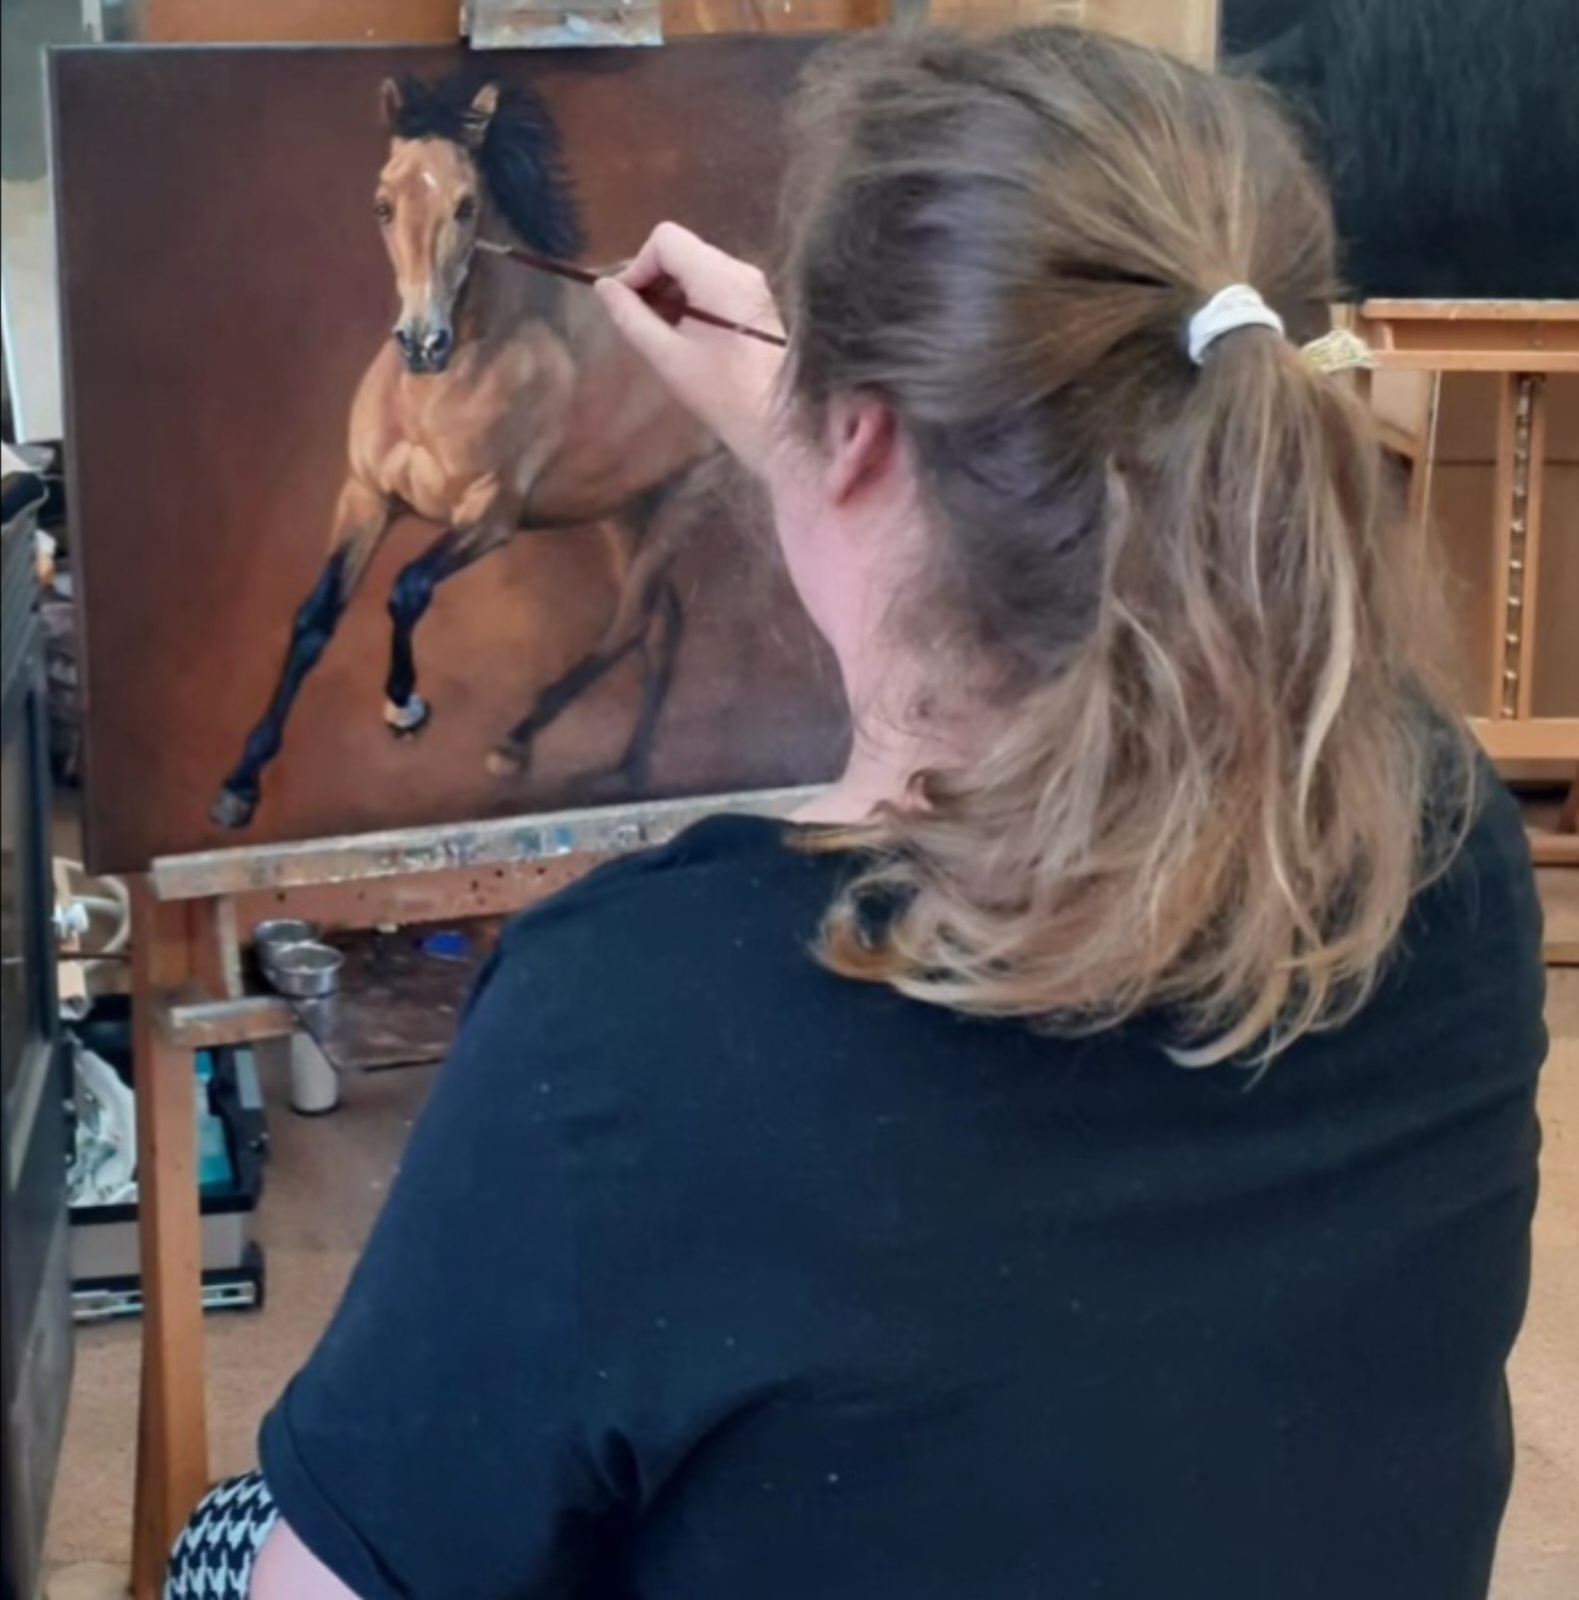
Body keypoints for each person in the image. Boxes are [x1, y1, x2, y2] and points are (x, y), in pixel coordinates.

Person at [167, 26, 1546, 1600]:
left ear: (867, 439)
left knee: (230, 1542)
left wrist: (847, 453)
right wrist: (831, 435)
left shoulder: (632, 1028)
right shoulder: (1442, 848)